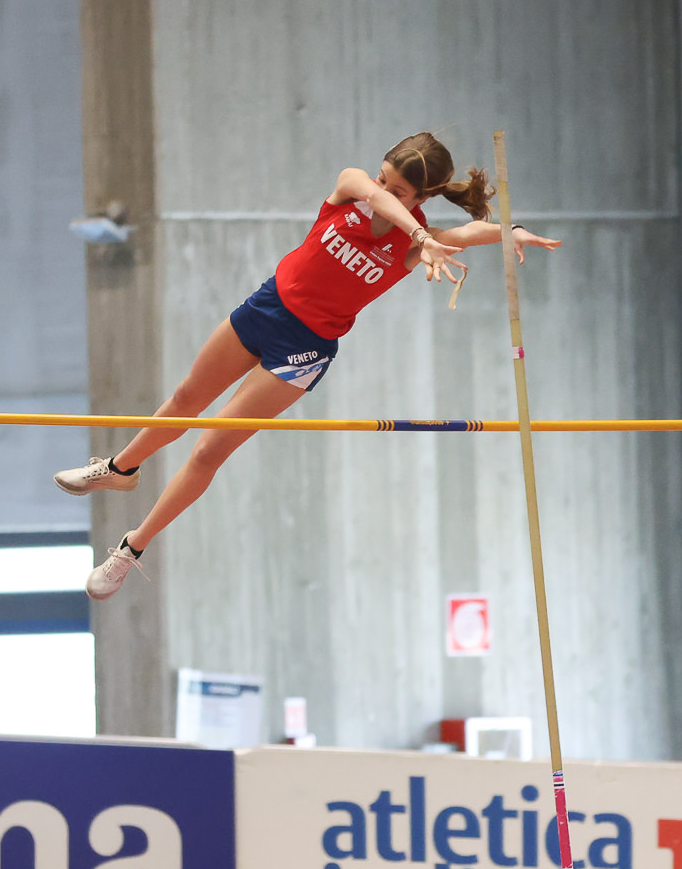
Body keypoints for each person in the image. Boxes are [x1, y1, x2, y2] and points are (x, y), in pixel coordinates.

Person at [54, 133, 558, 599]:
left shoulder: (411, 245)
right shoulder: (352, 187)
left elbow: (467, 232)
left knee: (208, 449)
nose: (382, 190)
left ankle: (131, 549)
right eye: (383, 178)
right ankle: (120, 469)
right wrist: (419, 234)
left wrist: (509, 232)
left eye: (399, 191)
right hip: (267, 308)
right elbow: (373, 194)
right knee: (187, 398)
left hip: (304, 349)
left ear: (423, 198)